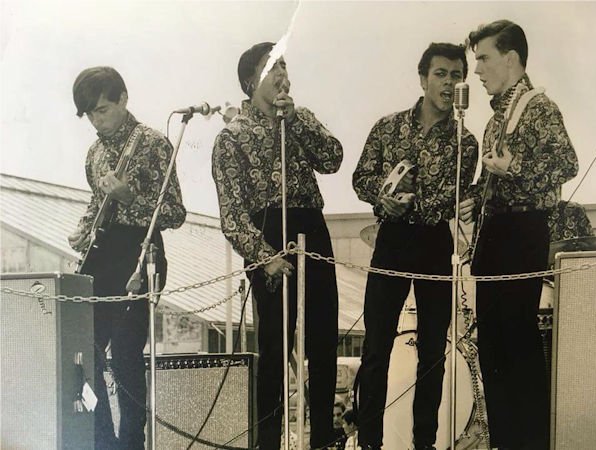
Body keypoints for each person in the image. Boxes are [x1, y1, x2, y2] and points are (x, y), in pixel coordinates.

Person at [212, 42, 343, 450]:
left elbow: (333, 158)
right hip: (265, 231)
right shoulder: (230, 137)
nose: (283, 75)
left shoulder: (299, 120)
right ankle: (268, 441)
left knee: (322, 344)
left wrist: (296, 122)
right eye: (273, 69)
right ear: (251, 80)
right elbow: (232, 215)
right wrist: (263, 256)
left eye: (285, 66)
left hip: (311, 227)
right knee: (274, 347)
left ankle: (321, 438)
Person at [352, 43, 478, 450]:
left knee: (432, 354)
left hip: (432, 243)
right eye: (441, 73)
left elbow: (451, 198)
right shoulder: (387, 127)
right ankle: (370, 441)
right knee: (375, 349)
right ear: (423, 78)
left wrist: (420, 203)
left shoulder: (467, 143)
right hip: (391, 241)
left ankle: (424, 443)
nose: (449, 82)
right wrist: (383, 196)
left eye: (457, 75)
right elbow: (361, 177)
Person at [459, 20, 578, 449]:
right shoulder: (496, 119)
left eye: (484, 59)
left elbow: (566, 163)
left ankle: (528, 441)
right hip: (495, 237)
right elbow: (490, 178)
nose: (477, 70)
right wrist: (473, 197)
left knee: (516, 342)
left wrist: (517, 169)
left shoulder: (538, 107)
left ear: (510, 59)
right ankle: (507, 440)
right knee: (494, 346)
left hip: (522, 234)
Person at [68, 66, 186, 450]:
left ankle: (132, 442)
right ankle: (103, 440)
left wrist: (129, 197)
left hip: (140, 254)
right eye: (89, 115)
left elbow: (174, 213)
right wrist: (82, 232)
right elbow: (95, 204)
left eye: (102, 110)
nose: (95, 121)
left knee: (125, 357)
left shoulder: (153, 144)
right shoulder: (94, 153)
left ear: (123, 99)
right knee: (82, 357)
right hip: (101, 256)